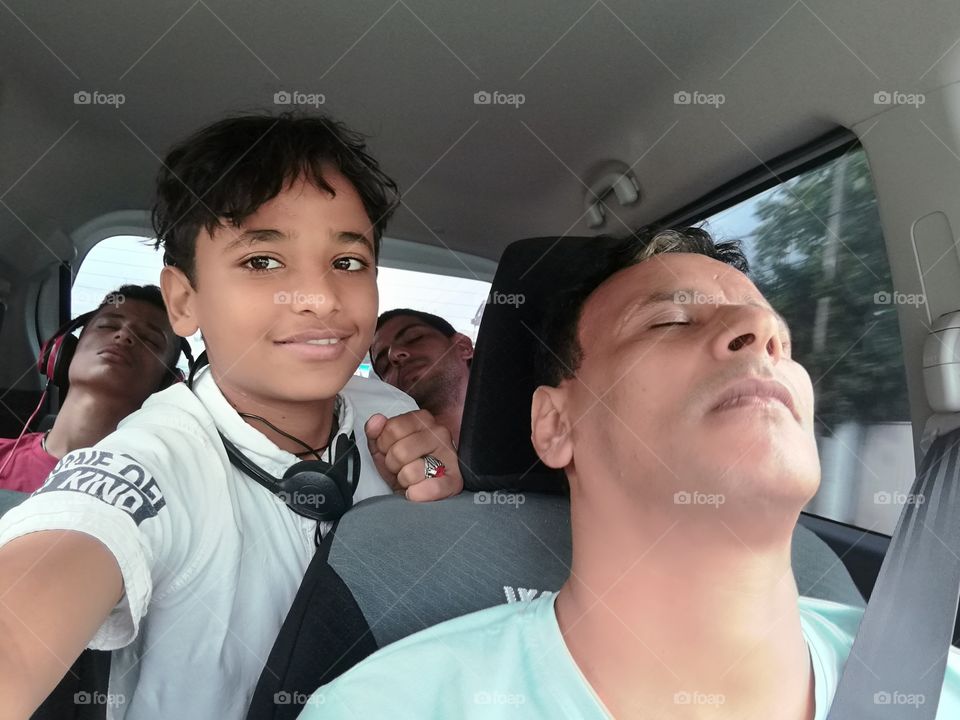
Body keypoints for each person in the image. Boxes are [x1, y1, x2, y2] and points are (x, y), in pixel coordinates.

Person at [301, 227, 960, 719]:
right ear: (554, 423)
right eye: (672, 320)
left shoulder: (935, 680)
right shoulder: (393, 706)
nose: (763, 331)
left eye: (778, 331)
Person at [0, 113, 463, 720]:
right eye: (262, 261)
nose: (321, 298)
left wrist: (440, 486)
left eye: (348, 263)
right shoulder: (148, 461)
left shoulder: (390, 407)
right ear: (185, 300)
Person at [0, 285, 185, 493]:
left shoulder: (161, 497)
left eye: (149, 339)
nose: (124, 336)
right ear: (62, 352)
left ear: (167, 385)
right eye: (108, 326)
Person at [371, 308, 473, 442]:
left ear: (463, 346)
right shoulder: (378, 455)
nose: (393, 355)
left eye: (414, 338)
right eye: (384, 365)